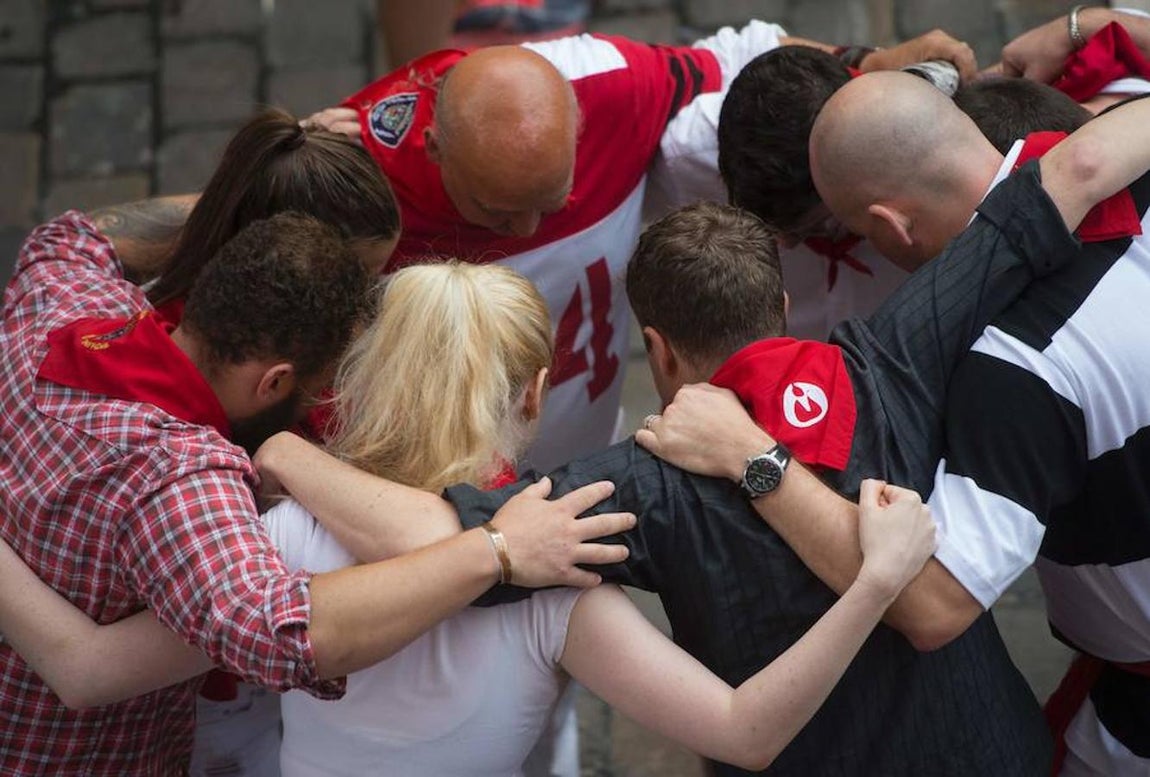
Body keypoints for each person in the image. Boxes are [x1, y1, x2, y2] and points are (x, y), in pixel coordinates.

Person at [0, 261, 938, 776]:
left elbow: (84, 666)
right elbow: (744, 732)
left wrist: (283, 457)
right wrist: (877, 581)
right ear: (535, 393)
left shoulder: (273, 540)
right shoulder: (558, 575)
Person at [0, 203, 634, 774]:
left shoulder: (58, 294)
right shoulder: (185, 486)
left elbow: (75, 230)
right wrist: (494, 549)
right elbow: (285, 634)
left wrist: (278, 169)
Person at [639, 74, 1150, 776]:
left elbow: (935, 604)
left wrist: (753, 456)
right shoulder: (1127, 144)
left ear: (888, 227)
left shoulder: (1016, 369)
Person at [305, 26, 977, 469]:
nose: (524, 233)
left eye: (553, 199)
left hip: (580, 450)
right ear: (433, 150)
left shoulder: (610, 86)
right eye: (495, 210)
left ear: (579, 122)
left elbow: (746, 58)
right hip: (423, 487)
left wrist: (860, 67)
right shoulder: (357, 190)